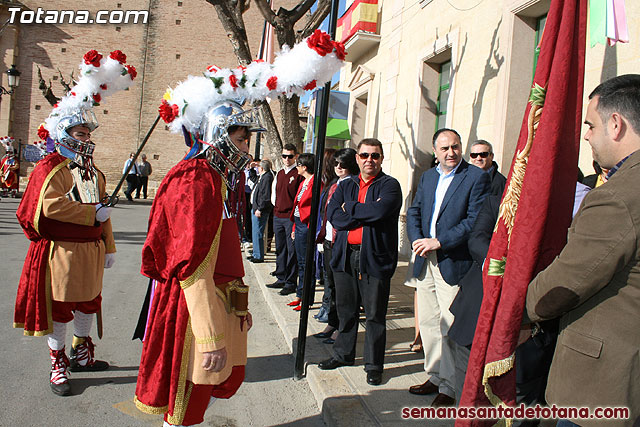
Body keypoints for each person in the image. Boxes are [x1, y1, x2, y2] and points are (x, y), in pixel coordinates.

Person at [14, 48, 135, 396]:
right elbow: (47, 206)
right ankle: (58, 362)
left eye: (87, 134)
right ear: (66, 134)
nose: (86, 139)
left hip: (91, 251)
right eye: (80, 134)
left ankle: (82, 354)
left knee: (89, 303)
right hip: (62, 251)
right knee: (63, 309)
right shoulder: (51, 167)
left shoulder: (92, 171)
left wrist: (108, 244)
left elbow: (104, 210)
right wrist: (88, 215)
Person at [525, 75, 640, 426]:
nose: (587, 135)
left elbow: (561, 287)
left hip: (601, 391)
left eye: (591, 124)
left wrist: (522, 304)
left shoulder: (617, 198)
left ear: (616, 124)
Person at [135, 101, 257, 426]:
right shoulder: (196, 181)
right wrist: (210, 338)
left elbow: (228, 258)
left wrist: (240, 307)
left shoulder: (219, 179)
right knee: (185, 405)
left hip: (220, 304)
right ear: (219, 135)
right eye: (241, 139)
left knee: (199, 401)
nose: (247, 147)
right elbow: (194, 269)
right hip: (194, 313)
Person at [405, 128, 489, 407]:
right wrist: (418, 239)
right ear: (435, 151)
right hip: (424, 259)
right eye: (445, 149)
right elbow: (416, 210)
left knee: (450, 325)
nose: (451, 153)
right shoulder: (429, 177)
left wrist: (439, 241)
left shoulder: (476, 177)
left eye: (455, 147)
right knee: (428, 323)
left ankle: (451, 387)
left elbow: (474, 221)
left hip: (452, 260)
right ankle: (435, 374)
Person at [320, 138, 402, 386]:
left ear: (381, 159)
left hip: (374, 258)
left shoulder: (390, 185)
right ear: (357, 158)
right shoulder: (346, 185)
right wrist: (363, 213)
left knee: (375, 315)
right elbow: (334, 215)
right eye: (364, 155)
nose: (369, 160)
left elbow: (380, 212)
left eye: (374, 156)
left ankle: (374, 365)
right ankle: (343, 354)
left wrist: (352, 208)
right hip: (346, 255)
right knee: (346, 311)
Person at [314, 148, 359, 344]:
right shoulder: (334, 184)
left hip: (343, 240)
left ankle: (341, 327)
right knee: (329, 283)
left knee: (343, 290)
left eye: (343, 164)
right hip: (329, 239)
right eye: (336, 164)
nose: (339, 168)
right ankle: (332, 322)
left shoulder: (354, 185)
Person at [267, 143, 304, 294]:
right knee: (280, 248)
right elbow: (274, 194)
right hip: (278, 215)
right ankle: (280, 276)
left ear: (295, 156)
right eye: (284, 156)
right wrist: (275, 209)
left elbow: (299, 197)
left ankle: (290, 282)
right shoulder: (280, 173)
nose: (287, 159)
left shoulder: (299, 174)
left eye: (290, 156)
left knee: (291, 250)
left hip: (290, 218)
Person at [288, 153, 316, 311]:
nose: (296, 167)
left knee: (306, 264)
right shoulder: (303, 182)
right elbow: (297, 205)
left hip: (306, 225)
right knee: (300, 262)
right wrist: (293, 227)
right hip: (298, 224)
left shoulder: (315, 183)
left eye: (298, 164)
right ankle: (299, 295)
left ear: (304, 167)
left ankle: (306, 298)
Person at [248, 159, 274, 263]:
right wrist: (251, 169)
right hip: (255, 208)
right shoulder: (262, 176)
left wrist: (260, 208)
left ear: (262, 168)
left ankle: (258, 255)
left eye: (258, 167)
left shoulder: (267, 177)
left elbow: (265, 195)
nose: (258, 169)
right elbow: (253, 178)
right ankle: (256, 253)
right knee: (255, 232)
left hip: (260, 210)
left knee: (258, 232)